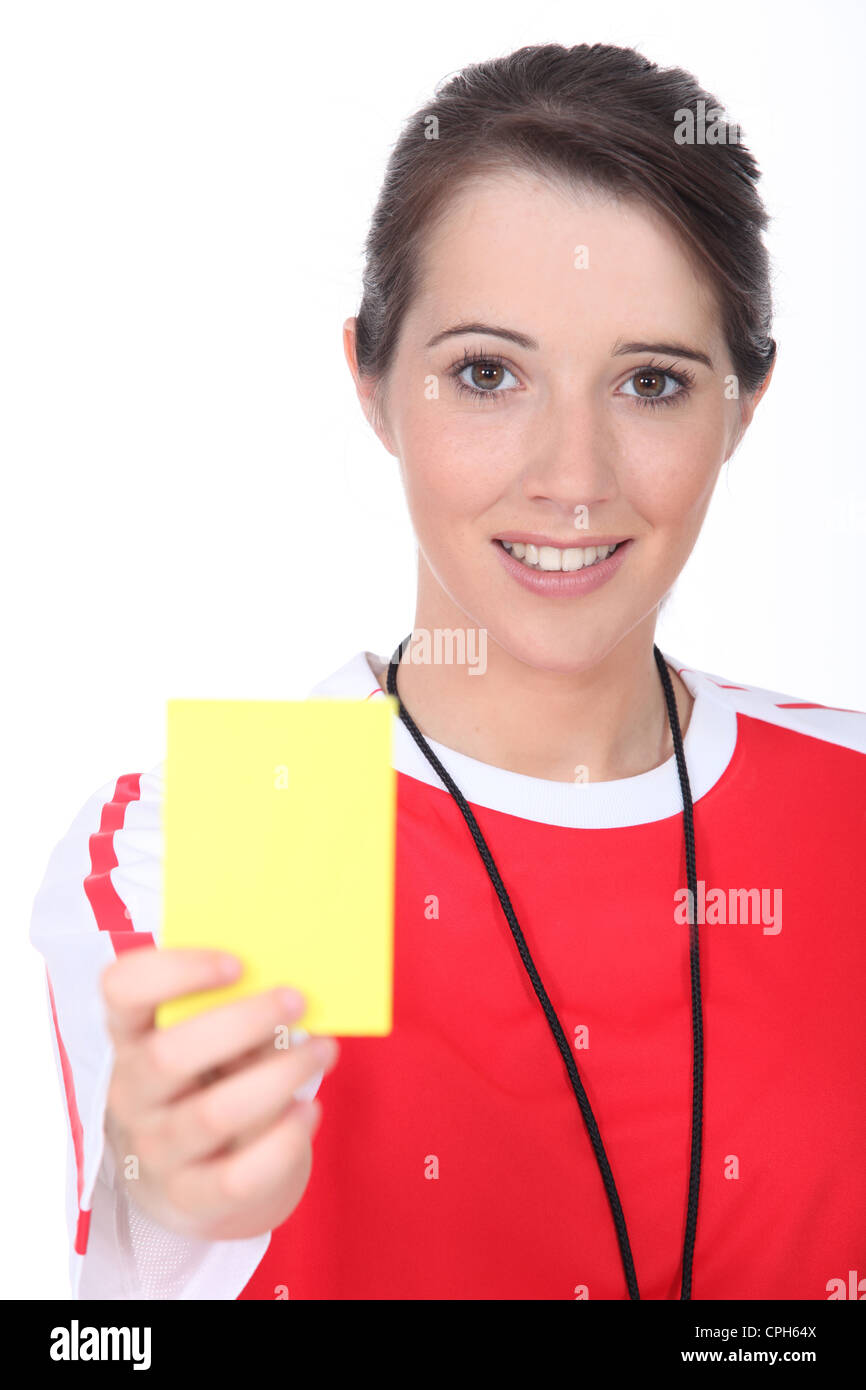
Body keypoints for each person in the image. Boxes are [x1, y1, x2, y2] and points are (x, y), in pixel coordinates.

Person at [30, 41, 866, 1301]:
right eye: (486, 373)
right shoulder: (235, 831)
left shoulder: (846, 794)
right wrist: (160, 1208)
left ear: (743, 405)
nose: (570, 477)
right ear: (370, 378)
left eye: (650, 382)